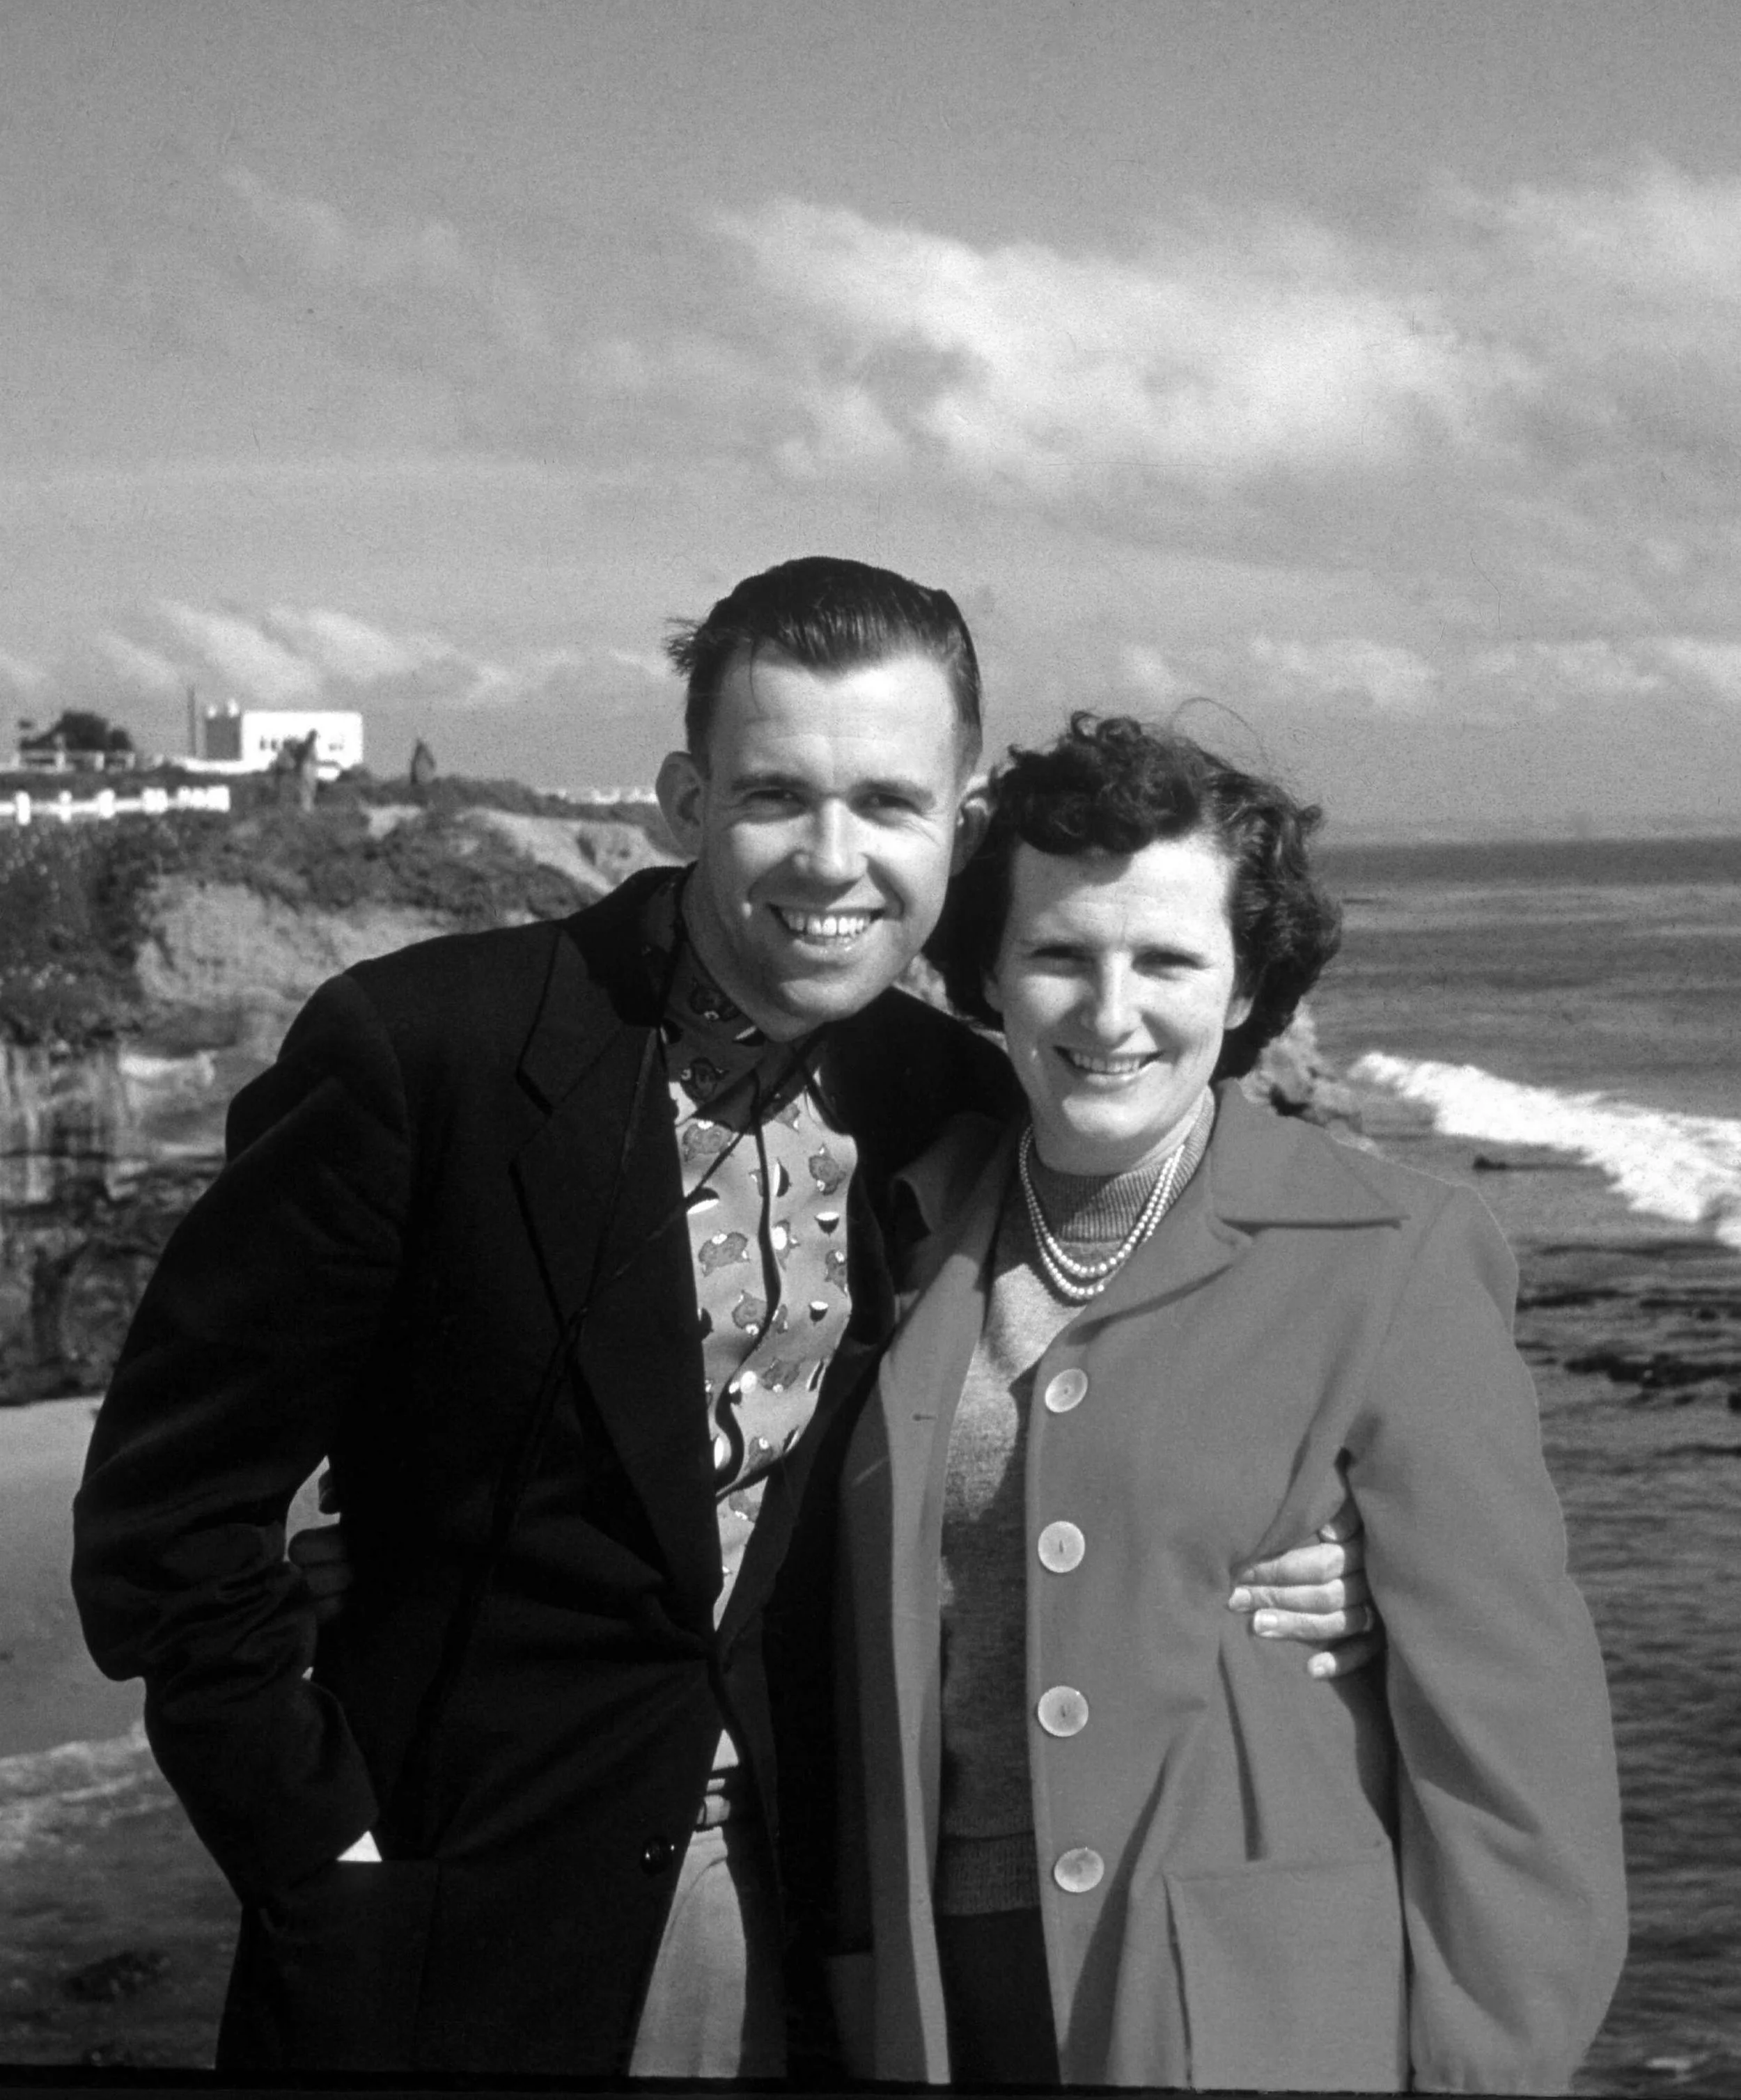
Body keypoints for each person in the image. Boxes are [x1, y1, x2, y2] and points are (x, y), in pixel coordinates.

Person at [71, 560, 1376, 2080]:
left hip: (830, 1922)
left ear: (957, 828)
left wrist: (1321, 1549)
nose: (833, 859)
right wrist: (316, 1846)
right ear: (685, 802)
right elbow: (167, 1515)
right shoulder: (428, 1051)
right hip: (458, 1917)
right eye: (775, 796)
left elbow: (1134, 1337)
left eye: (887, 803)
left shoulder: (954, 1099)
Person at [832, 714, 1627, 2092]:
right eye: (1059, 954)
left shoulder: (1390, 1252)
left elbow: (1514, 1754)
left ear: (1248, 982)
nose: (1109, 1011)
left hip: (1252, 2010)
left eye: (1167, 960)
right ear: (990, 972)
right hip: (938, 1992)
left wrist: (1489, 2066)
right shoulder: (904, 1225)